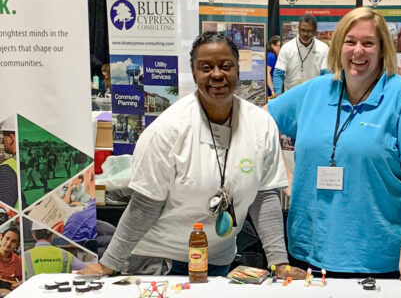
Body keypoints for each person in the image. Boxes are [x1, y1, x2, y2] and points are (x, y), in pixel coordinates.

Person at [78, 33, 305, 279]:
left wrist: (279, 263)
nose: (217, 74)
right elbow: (144, 205)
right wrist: (109, 264)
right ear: (194, 74)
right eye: (206, 67)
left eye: (225, 66)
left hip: (218, 260)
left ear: (238, 69)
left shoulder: (261, 124)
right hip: (161, 263)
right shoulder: (169, 128)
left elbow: (264, 196)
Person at [267, 7, 401, 282]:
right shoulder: (315, 90)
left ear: (383, 49)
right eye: (350, 42)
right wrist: (281, 174)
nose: (358, 51)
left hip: (381, 259)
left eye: (368, 43)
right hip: (309, 251)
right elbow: (260, 124)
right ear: (338, 47)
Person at [273, 14, 329, 94]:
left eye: (309, 31)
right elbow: (279, 73)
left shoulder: (323, 48)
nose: (305, 34)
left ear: (315, 30)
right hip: (291, 95)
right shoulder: (287, 48)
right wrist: (278, 95)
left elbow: (326, 75)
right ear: (298, 28)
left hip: (313, 95)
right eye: (303, 30)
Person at [0, 119, 18, 210]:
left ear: (11, 137)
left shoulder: (6, 170)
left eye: (4, 136)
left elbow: (3, 211)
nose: (3, 141)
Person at [0, 227, 21, 292]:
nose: (8, 243)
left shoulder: (19, 261)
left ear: (17, 245)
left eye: (13, 241)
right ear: (1, 238)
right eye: (7, 239)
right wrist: (10, 284)